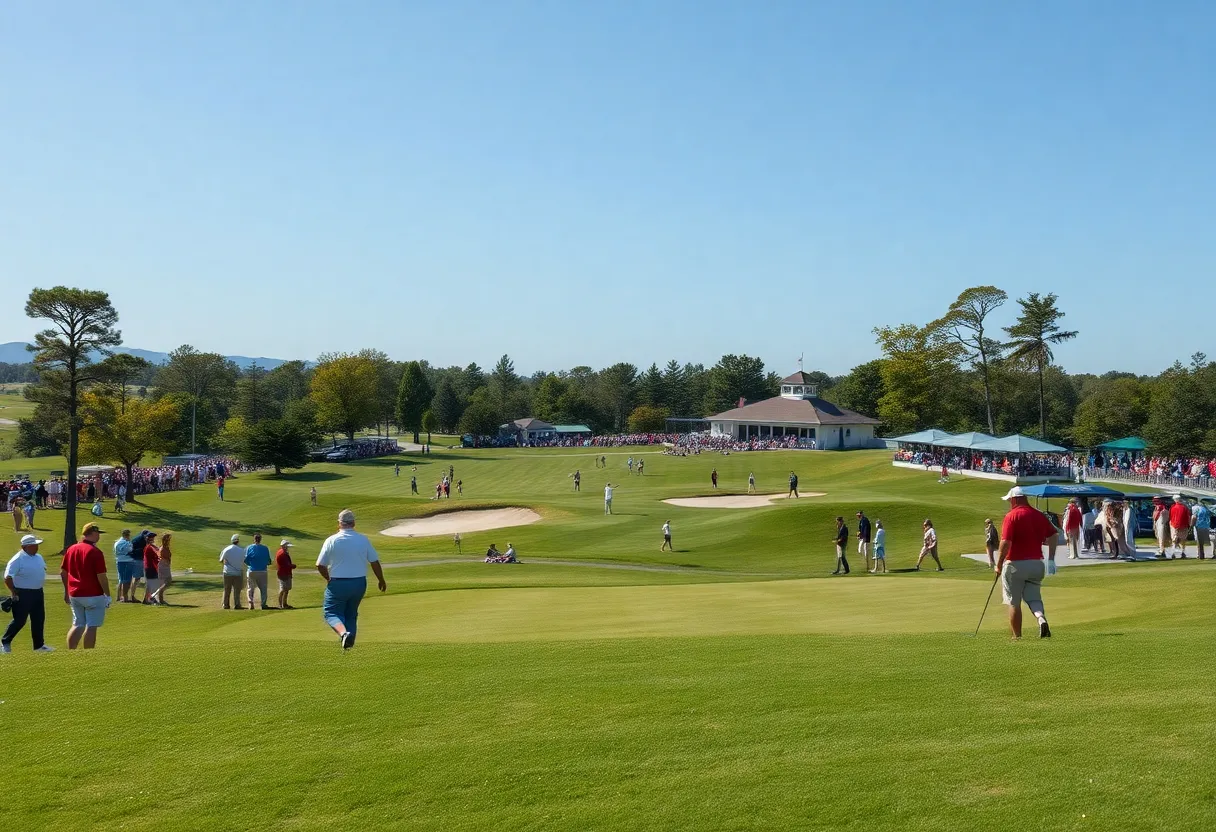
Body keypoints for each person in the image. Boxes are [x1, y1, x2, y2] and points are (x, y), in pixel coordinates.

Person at [316, 509, 387, 650]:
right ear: (353, 523)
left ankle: (344, 634)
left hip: (338, 582)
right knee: (351, 613)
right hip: (359, 583)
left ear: (339, 523)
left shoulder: (331, 540)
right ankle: (349, 643)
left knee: (331, 612)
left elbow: (320, 565)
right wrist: (381, 580)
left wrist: (327, 578)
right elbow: (374, 561)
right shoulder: (363, 539)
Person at [995, 486, 1059, 639]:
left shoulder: (1011, 516)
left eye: (1010, 500)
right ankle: (1041, 619)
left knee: (1014, 602)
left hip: (1015, 565)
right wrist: (1051, 559)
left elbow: (1005, 542)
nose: (1010, 502)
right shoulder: (1039, 515)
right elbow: (1054, 535)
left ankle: (1017, 637)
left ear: (1015, 499)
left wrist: (998, 565)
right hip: (1036, 565)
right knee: (1034, 598)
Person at [60, 522, 111, 650]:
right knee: (92, 625)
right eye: (98, 533)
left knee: (78, 624)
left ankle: (72, 651)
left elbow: (63, 572)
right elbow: (101, 576)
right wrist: (108, 594)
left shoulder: (71, 549)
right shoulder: (95, 552)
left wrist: (67, 592)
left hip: (75, 594)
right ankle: (88, 654)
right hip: (93, 594)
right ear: (93, 533)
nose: (99, 536)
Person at [2, 534, 52, 653]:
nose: (36, 547)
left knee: (38, 619)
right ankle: (5, 642)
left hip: (38, 593)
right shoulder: (17, 559)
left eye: (36, 545)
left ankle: (39, 646)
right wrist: (14, 592)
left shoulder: (38, 557)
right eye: (34, 545)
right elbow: (8, 577)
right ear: (25, 547)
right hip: (22, 593)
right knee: (20, 620)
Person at [245, 532, 273, 610]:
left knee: (250, 588)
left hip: (252, 570)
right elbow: (269, 561)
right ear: (260, 540)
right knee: (263, 589)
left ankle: (251, 603)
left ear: (254, 539)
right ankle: (263, 604)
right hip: (262, 571)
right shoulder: (265, 548)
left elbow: (246, 560)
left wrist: (251, 564)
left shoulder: (249, 548)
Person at [219, 534, 246, 609]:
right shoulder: (242, 550)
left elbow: (221, 560)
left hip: (227, 572)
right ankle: (237, 604)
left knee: (227, 589)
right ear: (238, 541)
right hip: (238, 573)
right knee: (237, 590)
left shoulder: (227, 549)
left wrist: (226, 562)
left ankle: (226, 604)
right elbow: (244, 561)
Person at [114, 528, 136, 603]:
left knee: (121, 579)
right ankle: (125, 597)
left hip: (119, 561)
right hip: (127, 561)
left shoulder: (117, 542)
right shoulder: (127, 543)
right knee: (127, 580)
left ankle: (118, 596)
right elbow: (130, 550)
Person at [152, 532, 173, 605]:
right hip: (163, 566)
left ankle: (160, 599)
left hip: (165, 566)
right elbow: (166, 557)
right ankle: (155, 596)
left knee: (165, 582)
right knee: (167, 582)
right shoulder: (163, 548)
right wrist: (168, 561)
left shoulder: (165, 547)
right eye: (169, 539)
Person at [275, 539, 297, 609]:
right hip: (283, 573)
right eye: (287, 546)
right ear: (283, 546)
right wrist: (293, 566)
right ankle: (281, 604)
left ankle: (284, 604)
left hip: (285, 573)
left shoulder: (283, 552)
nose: (288, 548)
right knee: (283, 589)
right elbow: (286, 565)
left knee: (286, 589)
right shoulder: (282, 554)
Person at [140, 532, 160, 604]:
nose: (153, 539)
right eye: (151, 538)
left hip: (151, 567)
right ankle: (146, 599)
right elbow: (156, 555)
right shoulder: (149, 547)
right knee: (150, 584)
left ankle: (150, 598)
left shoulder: (150, 547)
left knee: (152, 584)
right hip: (150, 567)